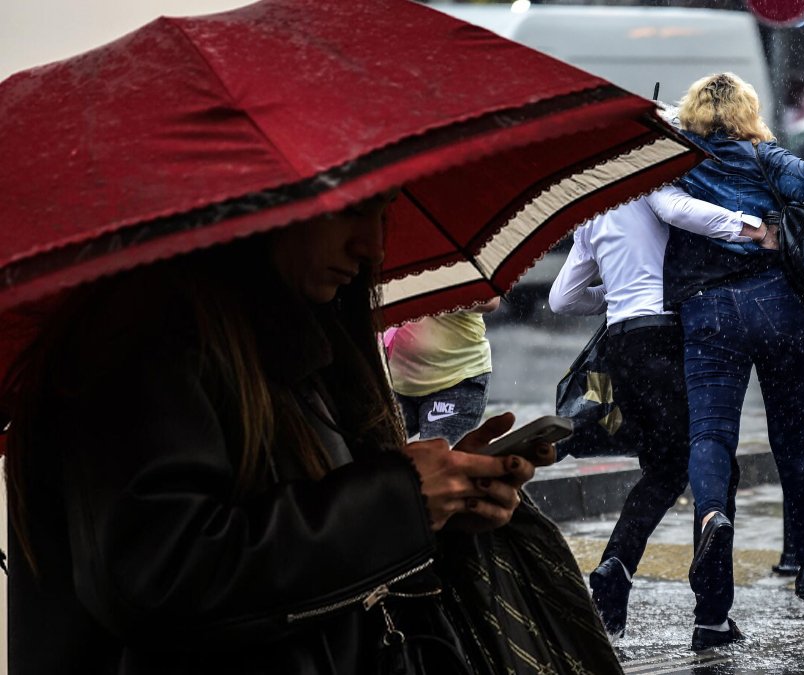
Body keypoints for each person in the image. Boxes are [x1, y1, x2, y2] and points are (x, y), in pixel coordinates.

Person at [2, 196, 561, 674]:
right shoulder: (137, 339)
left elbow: (292, 540)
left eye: (382, 212)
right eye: (348, 212)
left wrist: (440, 506)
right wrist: (399, 501)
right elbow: (162, 575)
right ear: (263, 205)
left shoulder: (286, 334)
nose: (374, 247)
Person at [662, 72, 804, 650]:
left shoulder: (678, 159)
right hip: (781, 308)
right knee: (795, 440)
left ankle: (713, 520)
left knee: (710, 438)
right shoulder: (767, 155)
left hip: (709, 309)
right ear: (747, 113)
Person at [548, 184, 773, 639]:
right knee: (714, 465)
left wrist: (613, 299)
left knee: (664, 470)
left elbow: (562, 299)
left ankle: (617, 565)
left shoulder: (596, 207)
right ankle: (711, 615)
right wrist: (755, 229)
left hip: (623, 343)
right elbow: (683, 211)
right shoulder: (653, 184)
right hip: (668, 337)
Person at [386, 297, 501, 446]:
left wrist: (441, 296)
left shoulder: (455, 273)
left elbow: (491, 301)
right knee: (369, 447)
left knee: (433, 456)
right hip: (399, 384)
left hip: (456, 381)